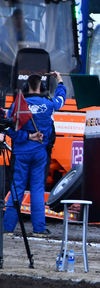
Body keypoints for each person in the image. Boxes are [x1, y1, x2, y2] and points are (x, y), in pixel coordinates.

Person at [4, 72, 66, 237]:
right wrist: (59, 81)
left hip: (21, 154)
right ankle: (39, 229)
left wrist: (26, 136)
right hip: (40, 154)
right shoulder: (49, 103)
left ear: (25, 87)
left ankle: (7, 228)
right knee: (37, 189)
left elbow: (7, 127)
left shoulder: (17, 106)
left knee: (17, 188)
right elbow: (61, 99)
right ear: (43, 87)